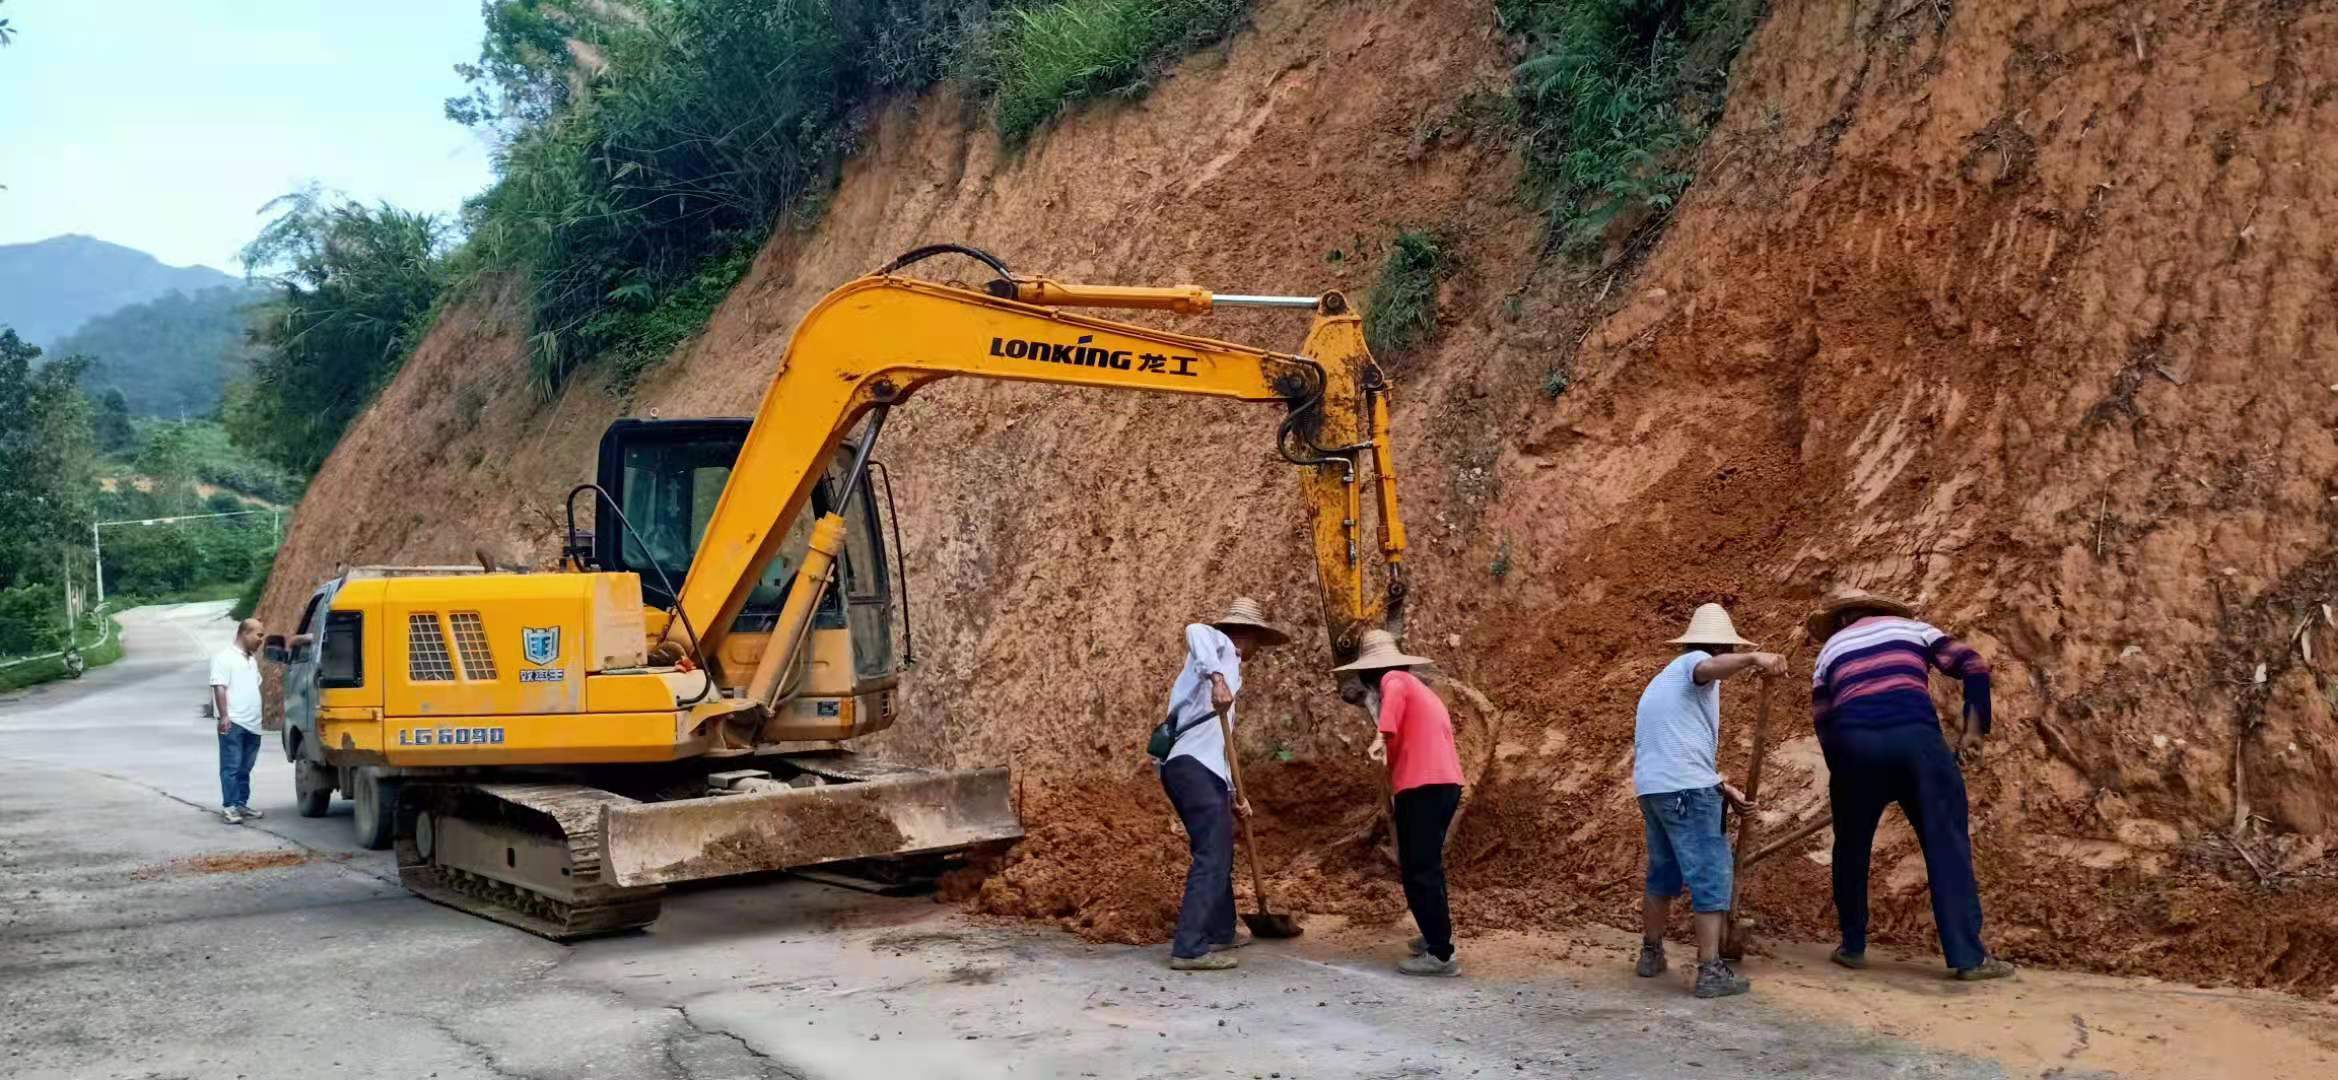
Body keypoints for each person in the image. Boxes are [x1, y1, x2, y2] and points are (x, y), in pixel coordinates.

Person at [1806, 587, 2014, 981]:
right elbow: (1973, 665)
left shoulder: (1828, 651)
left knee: (1850, 848)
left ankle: (1852, 947)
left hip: (1855, 748)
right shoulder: (1912, 628)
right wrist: (1972, 731)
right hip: (1918, 743)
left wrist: (1846, 780)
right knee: (1946, 843)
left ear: (1842, 620)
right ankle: (1969, 958)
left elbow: (1824, 723)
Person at [1632, 603, 1784, 999]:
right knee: (1712, 874)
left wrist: (1721, 787)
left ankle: (1650, 954)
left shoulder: (1663, 681)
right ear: (1721, 647)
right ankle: (1711, 970)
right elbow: (1706, 668)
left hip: (1656, 790)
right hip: (1684, 791)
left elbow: (1678, 749)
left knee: (1663, 873)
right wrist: (1753, 658)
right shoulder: (1695, 663)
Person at [1158, 597, 1289, 971]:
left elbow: (1221, 744)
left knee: (1218, 851)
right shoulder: (1219, 645)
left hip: (1201, 769)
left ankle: (1220, 930)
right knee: (1212, 855)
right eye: (1258, 644)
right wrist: (1216, 678)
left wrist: (1233, 795)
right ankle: (1189, 947)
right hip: (1192, 767)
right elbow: (1194, 629)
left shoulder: (1231, 670)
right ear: (1246, 636)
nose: (1257, 652)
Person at [1338, 630, 1466, 977]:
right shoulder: (1419, 692)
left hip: (1426, 786)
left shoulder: (1396, 680)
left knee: (1420, 869)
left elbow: (1390, 708)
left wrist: (1380, 735)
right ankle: (1433, 934)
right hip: (1436, 785)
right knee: (1423, 866)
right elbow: (1402, 752)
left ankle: (1441, 954)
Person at [209, 618, 269, 825]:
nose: (261, 640)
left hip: (253, 723)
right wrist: (224, 716)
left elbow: (254, 687)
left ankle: (241, 803)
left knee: (245, 767)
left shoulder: (251, 660)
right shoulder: (224, 658)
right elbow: (219, 687)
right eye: (258, 635)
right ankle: (229, 806)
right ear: (245, 633)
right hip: (234, 722)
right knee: (231, 766)